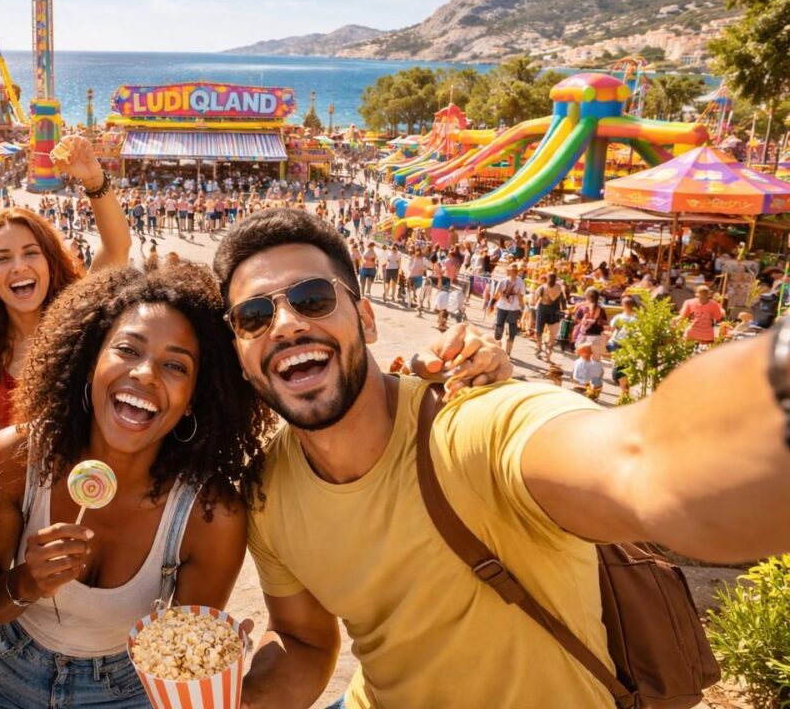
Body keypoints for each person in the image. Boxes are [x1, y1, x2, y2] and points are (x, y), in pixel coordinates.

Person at [210, 209, 790, 709]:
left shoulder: (475, 422)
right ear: (240, 356)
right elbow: (305, 641)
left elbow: (643, 463)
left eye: (312, 299)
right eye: (254, 317)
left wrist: (773, 387)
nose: (286, 324)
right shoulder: (269, 490)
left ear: (365, 318)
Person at [0, 262, 272, 708]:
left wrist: (210, 664)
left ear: (192, 401)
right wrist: (27, 582)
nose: (146, 374)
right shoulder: (18, 457)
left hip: (124, 691)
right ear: (92, 363)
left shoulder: (210, 515)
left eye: (175, 366)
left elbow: (180, 658)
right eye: (128, 350)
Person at [0, 135, 132, 431]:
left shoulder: (77, 319)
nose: (19, 267)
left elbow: (117, 248)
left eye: (31, 253)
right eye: (2, 258)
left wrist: (93, 179)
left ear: (49, 262)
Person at [491, 263, 527, 356]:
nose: (508, 271)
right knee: (499, 328)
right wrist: (491, 304)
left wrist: (522, 307)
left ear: (514, 272)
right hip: (502, 306)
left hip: (513, 308)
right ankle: (497, 349)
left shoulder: (520, 282)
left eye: (510, 270)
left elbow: (521, 296)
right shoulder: (503, 281)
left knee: (511, 330)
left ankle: (508, 352)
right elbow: (497, 294)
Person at [608, 295, 639, 393]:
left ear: (623, 306)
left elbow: (612, 328)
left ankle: (619, 380)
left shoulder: (619, 317)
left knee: (618, 365)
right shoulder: (637, 318)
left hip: (617, 342)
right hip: (630, 344)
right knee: (626, 365)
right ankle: (624, 386)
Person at [533, 272, 566, 362]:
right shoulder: (542, 287)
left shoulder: (558, 287)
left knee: (553, 333)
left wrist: (564, 309)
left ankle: (547, 352)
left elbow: (560, 298)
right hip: (543, 310)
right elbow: (535, 298)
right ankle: (539, 347)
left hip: (553, 311)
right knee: (539, 330)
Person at [572, 287, 609, 361]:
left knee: (582, 359)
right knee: (595, 359)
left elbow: (576, 320)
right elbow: (605, 322)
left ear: (586, 296)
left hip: (584, 336)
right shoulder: (601, 309)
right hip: (597, 337)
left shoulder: (582, 308)